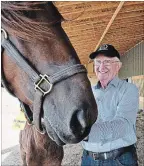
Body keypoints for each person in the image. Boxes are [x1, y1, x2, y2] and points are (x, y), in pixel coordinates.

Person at [81, 44, 139, 166]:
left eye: (107, 62)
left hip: (119, 160)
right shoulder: (87, 92)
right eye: (98, 62)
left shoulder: (129, 89)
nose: (101, 67)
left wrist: (86, 134)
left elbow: (124, 125)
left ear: (118, 66)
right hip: (88, 159)